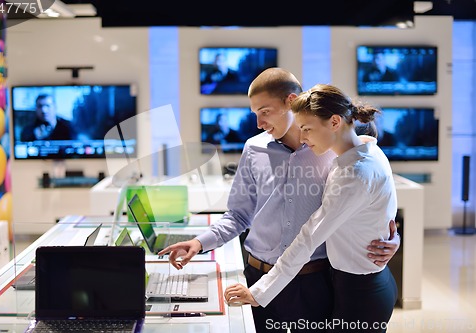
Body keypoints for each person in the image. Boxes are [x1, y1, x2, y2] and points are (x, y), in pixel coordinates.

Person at [159, 68, 400, 333]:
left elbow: (366, 198)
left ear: (290, 101)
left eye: (265, 112)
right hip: (257, 274)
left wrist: (388, 237)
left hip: (314, 283)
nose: (259, 123)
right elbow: (238, 215)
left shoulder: (333, 149)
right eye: (254, 114)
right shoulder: (253, 149)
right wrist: (198, 242)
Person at [224, 83, 398, 333]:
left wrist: (259, 293)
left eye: (306, 129)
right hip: (358, 280)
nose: (302, 137)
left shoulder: (354, 174)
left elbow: (309, 237)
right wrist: (391, 237)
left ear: (335, 122)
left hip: (360, 291)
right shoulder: (365, 150)